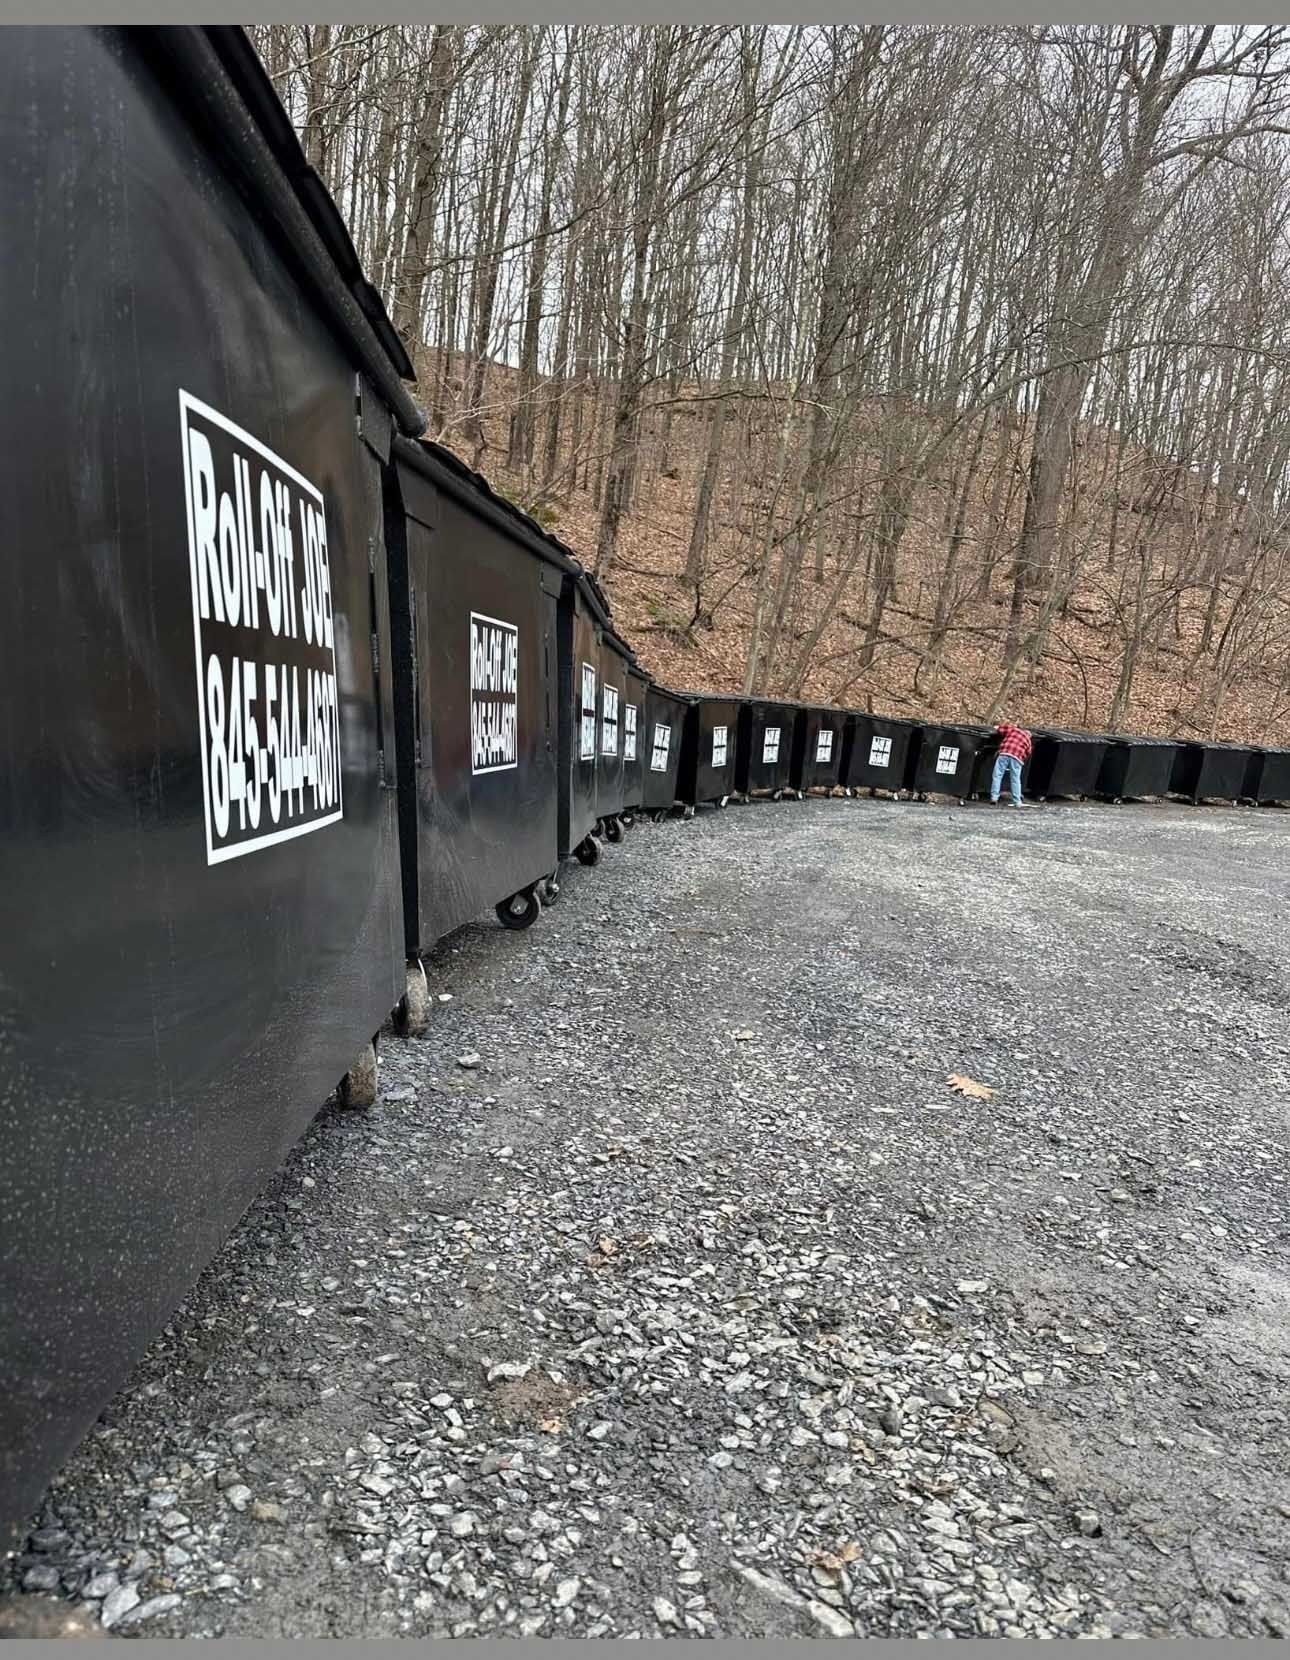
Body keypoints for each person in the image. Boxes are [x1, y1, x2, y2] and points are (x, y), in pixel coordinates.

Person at [990, 719, 1032, 806]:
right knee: (1015, 779)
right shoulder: (1028, 740)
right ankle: (1017, 801)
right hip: (1017, 757)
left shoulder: (1014, 730)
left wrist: (996, 727)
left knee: (997, 775)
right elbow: (1028, 752)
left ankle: (994, 797)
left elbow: (1001, 730)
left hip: (1005, 752)